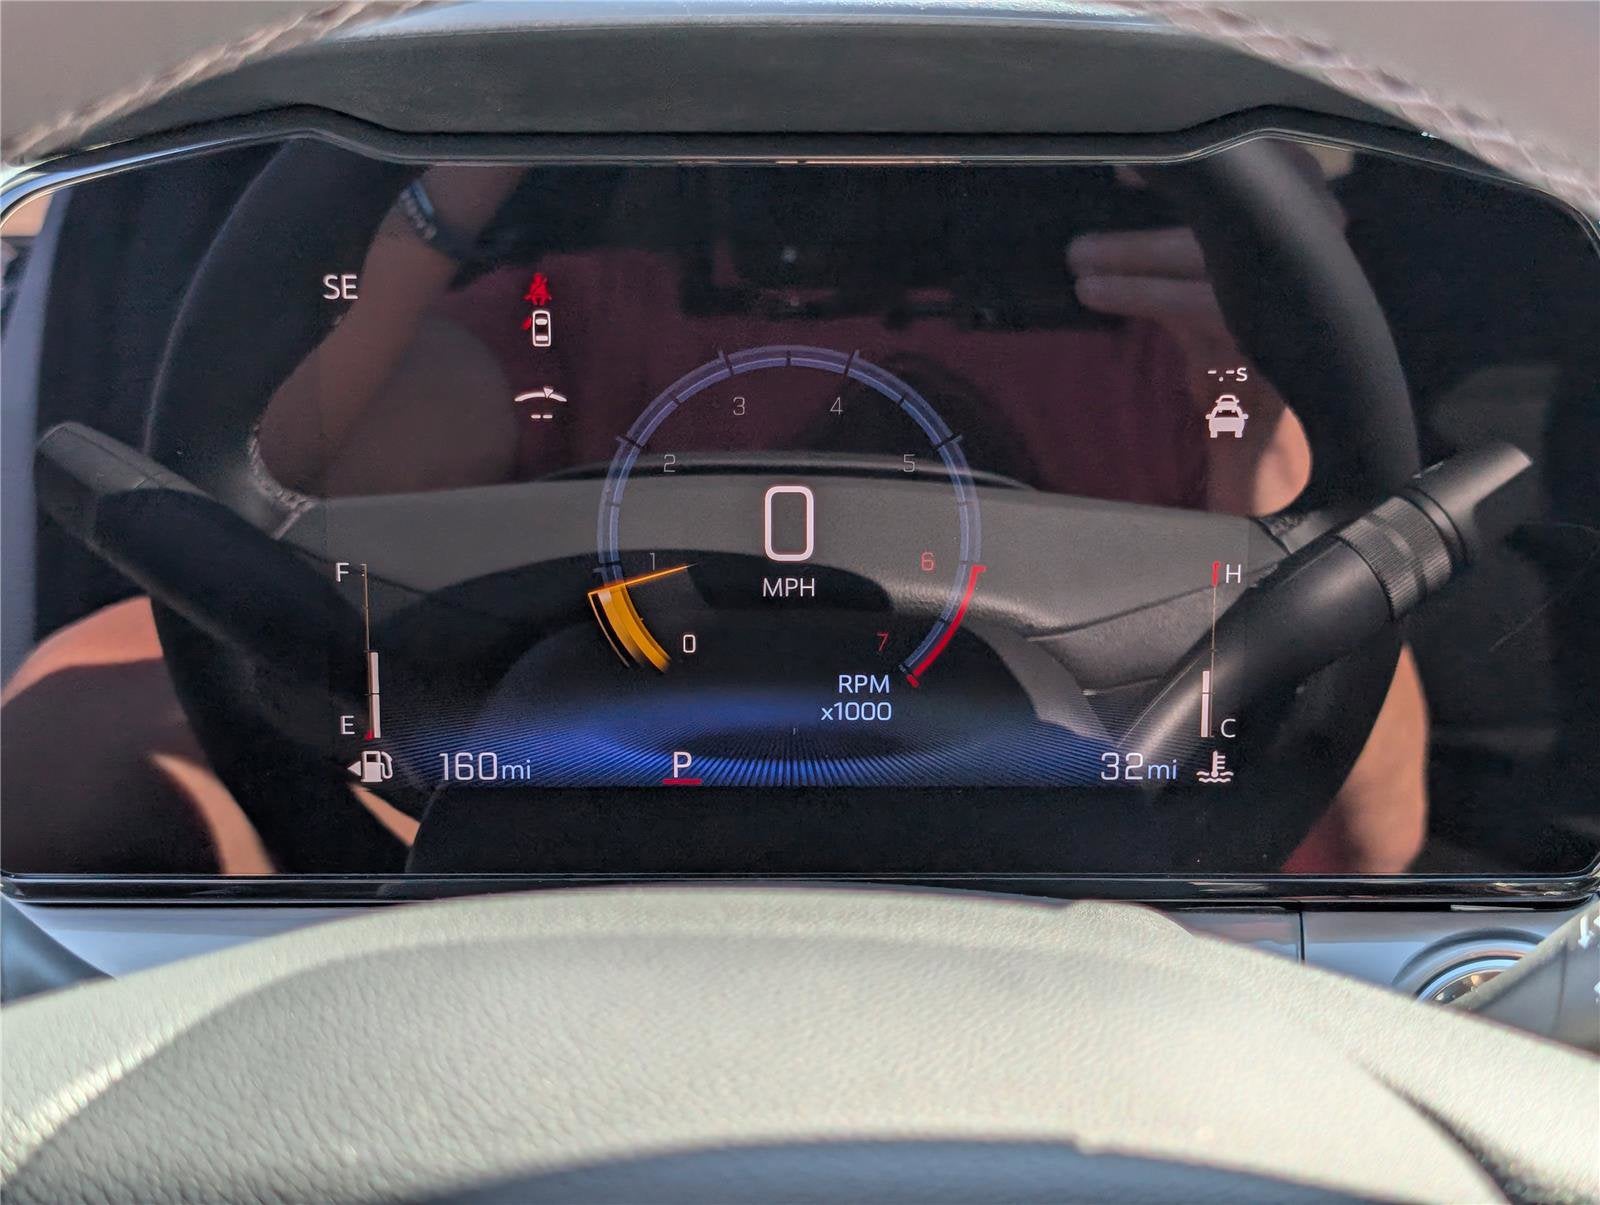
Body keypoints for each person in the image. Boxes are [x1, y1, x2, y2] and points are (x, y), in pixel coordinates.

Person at [2, 154, 1428, 874]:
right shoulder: (580, 314)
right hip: (559, 901)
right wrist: (446, 165)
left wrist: (1260, 383)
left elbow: (1366, 833)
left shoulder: (1172, 354)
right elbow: (270, 504)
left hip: (1054, 923)